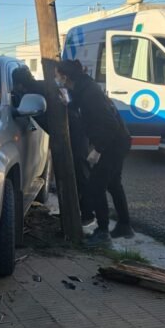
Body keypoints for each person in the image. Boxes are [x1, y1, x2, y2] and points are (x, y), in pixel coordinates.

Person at [56, 59, 134, 244]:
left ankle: (103, 232)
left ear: (65, 77)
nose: (56, 79)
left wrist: (98, 150)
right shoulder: (83, 87)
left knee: (95, 187)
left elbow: (110, 124)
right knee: (114, 184)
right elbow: (80, 106)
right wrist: (68, 105)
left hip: (112, 143)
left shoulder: (90, 94)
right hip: (118, 141)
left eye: (57, 75)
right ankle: (124, 225)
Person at [11, 66, 96, 225]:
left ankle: (88, 214)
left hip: (74, 133)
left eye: (14, 84)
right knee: (67, 175)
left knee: (79, 174)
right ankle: (73, 214)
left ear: (19, 84)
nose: (13, 88)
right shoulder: (40, 88)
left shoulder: (35, 91)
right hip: (69, 133)